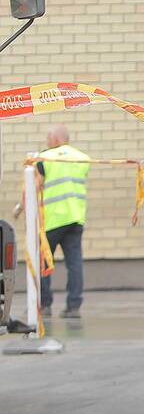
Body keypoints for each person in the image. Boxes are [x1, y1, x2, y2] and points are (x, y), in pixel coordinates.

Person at [29, 125, 89, 319]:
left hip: (54, 219)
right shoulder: (82, 157)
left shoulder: (46, 157)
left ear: (55, 139)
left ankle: (45, 305)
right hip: (75, 217)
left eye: (48, 138)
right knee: (75, 263)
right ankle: (73, 307)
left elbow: (37, 184)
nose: (47, 141)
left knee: (44, 261)